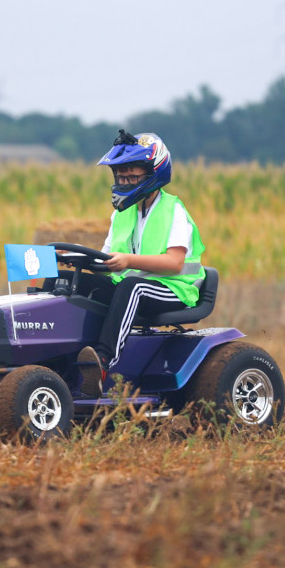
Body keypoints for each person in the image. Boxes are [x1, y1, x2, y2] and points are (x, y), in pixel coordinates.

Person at [76, 130, 206, 395]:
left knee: (132, 286)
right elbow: (107, 257)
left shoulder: (174, 211)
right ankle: (59, 353)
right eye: (121, 176)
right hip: (132, 285)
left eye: (132, 176)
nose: (124, 181)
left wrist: (127, 261)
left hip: (175, 288)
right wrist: (79, 261)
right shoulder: (121, 215)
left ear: (153, 175)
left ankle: (101, 363)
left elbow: (175, 263)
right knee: (70, 282)